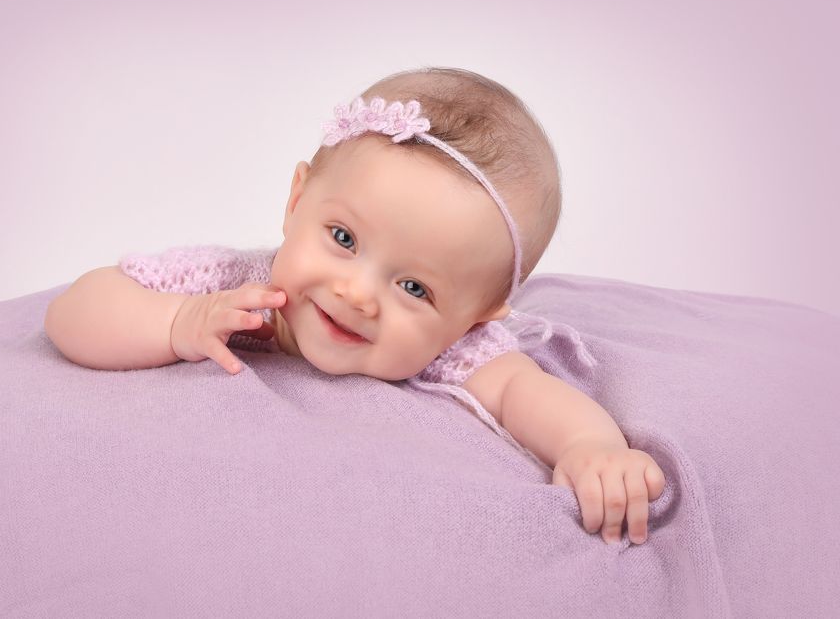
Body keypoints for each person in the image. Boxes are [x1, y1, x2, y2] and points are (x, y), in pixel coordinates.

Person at [45, 66, 666, 546]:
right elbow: (77, 311)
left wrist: (590, 447)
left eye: (414, 288)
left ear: (478, 315)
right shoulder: (233, 286)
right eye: (343, 238)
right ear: (297, 201)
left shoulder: (452, 348)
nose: (358, 294)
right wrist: (177, 322)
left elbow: (524, 391)